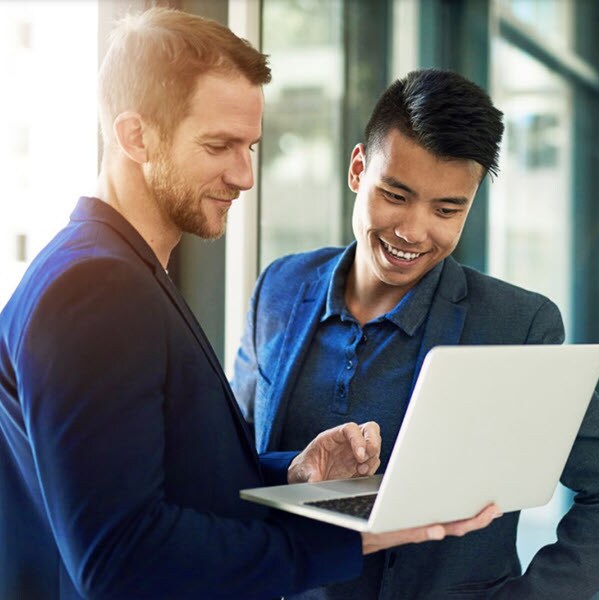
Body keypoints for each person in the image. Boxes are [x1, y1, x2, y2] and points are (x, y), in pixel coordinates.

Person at [0, 11, 498, 600]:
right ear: (136, 137)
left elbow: (149, 480)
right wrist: (354, 539)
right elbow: (120, 559)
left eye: (251, 147)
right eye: (220, 146)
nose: (244, 176)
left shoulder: (114, 270)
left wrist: (294, 473)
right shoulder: (97, 288)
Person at [232, 68, 599, 599]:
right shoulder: (279, 288)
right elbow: (231, 463)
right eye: (395, 195)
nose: (413, 231)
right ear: (358, 169)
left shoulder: (512, 327)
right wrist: (295, 472)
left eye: (446, 209)